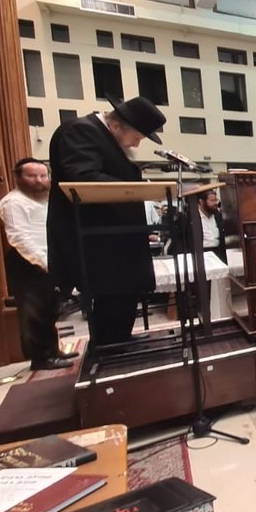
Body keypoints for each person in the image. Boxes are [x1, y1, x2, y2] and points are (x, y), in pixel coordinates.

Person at [47, 95, 167, 346]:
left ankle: (120, 340)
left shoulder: (98, 134)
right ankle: (110, 346)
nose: (135, 144)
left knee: (123, 295)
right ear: (115, 127)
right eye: (137, 137)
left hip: (115, 239)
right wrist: (137, 188)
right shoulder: (80, 131)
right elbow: (83, 178)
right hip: (99, 242)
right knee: (112, 296)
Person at [0, 158, 73, 370]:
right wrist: (43, 262)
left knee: (50, 310)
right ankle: (40, 358)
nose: (38, 180)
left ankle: (52, 351)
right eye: (31, 176)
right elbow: (19, 238)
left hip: (49, 261)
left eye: (42, 175)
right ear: (18, 177)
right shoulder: (13, 202)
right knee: (34, 313)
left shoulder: (46, 200)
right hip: (28, 263)